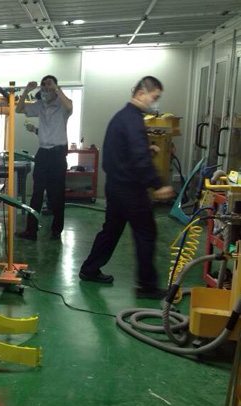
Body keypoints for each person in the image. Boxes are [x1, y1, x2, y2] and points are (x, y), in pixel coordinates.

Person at [79, 76, 175, 299]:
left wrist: (147, 149)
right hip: (131, 189)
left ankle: (89, 269)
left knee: (111, 230)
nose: (155, 102)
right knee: (146, 232)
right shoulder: (133, 120)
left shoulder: (122, 117)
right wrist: (158, 184)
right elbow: (139, 158)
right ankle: (147, 286)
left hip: (115, 186)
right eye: (155, 97)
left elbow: (121, 152)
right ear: (141, 93)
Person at [15, 75, 72, 241]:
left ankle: (56, 231)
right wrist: (26, 90)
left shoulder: (63, 105)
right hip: (43, 153)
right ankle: (31, 231)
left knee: (57, 193)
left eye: (49, 85)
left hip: (58, 154)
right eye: (43, 85)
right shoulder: (40, 105)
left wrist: (56, 88)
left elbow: (70, 105)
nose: (45, 88)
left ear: (55, 87)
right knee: (37, 193)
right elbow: (19, 109)